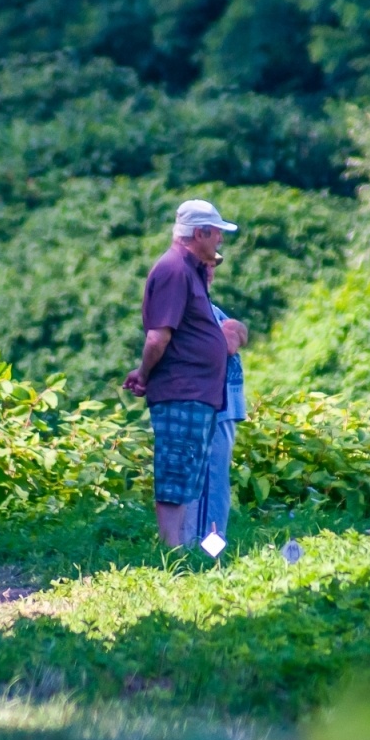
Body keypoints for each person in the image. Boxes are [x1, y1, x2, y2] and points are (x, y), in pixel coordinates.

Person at [123, 199, 239, 546]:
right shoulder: (174, 269)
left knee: (188, 473)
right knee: (175, 471)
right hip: (181, 391)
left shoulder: (190, 269)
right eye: (216, 232)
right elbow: (158, 336)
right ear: (200, 232)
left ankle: (183, 548)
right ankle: (171, 551)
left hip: (196, 392)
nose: (219, 239)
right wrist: (143, 374)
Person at [184, 252, 248, 547]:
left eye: (212, 265)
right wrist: (228, 333)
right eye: (204, 265)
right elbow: (227, 343)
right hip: (211, 407)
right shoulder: (192, 309)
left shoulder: (211, 308)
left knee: (217, 485)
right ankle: (203, 552)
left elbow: (239, 334)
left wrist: (231, 330)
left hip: (225, 409)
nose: (210, 271)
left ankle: (211, 550)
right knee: (208, 485)